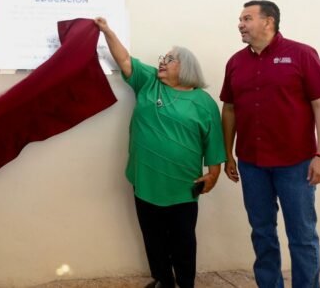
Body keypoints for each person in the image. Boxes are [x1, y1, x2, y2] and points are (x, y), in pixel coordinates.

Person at [95, 17, 226, 288]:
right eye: (163, 58)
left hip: (183, 185)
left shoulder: (204, 102)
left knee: (183, 241)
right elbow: (124, 59)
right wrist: (107, 31)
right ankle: (163, 281)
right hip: (145, 180)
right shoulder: (149, 82)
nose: (162, 62)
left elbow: (214, 142)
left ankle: (185, 284)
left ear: (186, 67)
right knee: (153, 239)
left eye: (170, 59)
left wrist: (214, 174)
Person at [220, 1, 320, 288]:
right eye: (240, 19)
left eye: (247, 18)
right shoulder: (235, 62)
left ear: (268, 21)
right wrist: (228, 154)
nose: (240, 24)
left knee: (302, 235)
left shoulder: (302, 54)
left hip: (296, 164)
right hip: (252, 164)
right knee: (262, 233)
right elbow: (230, 109)